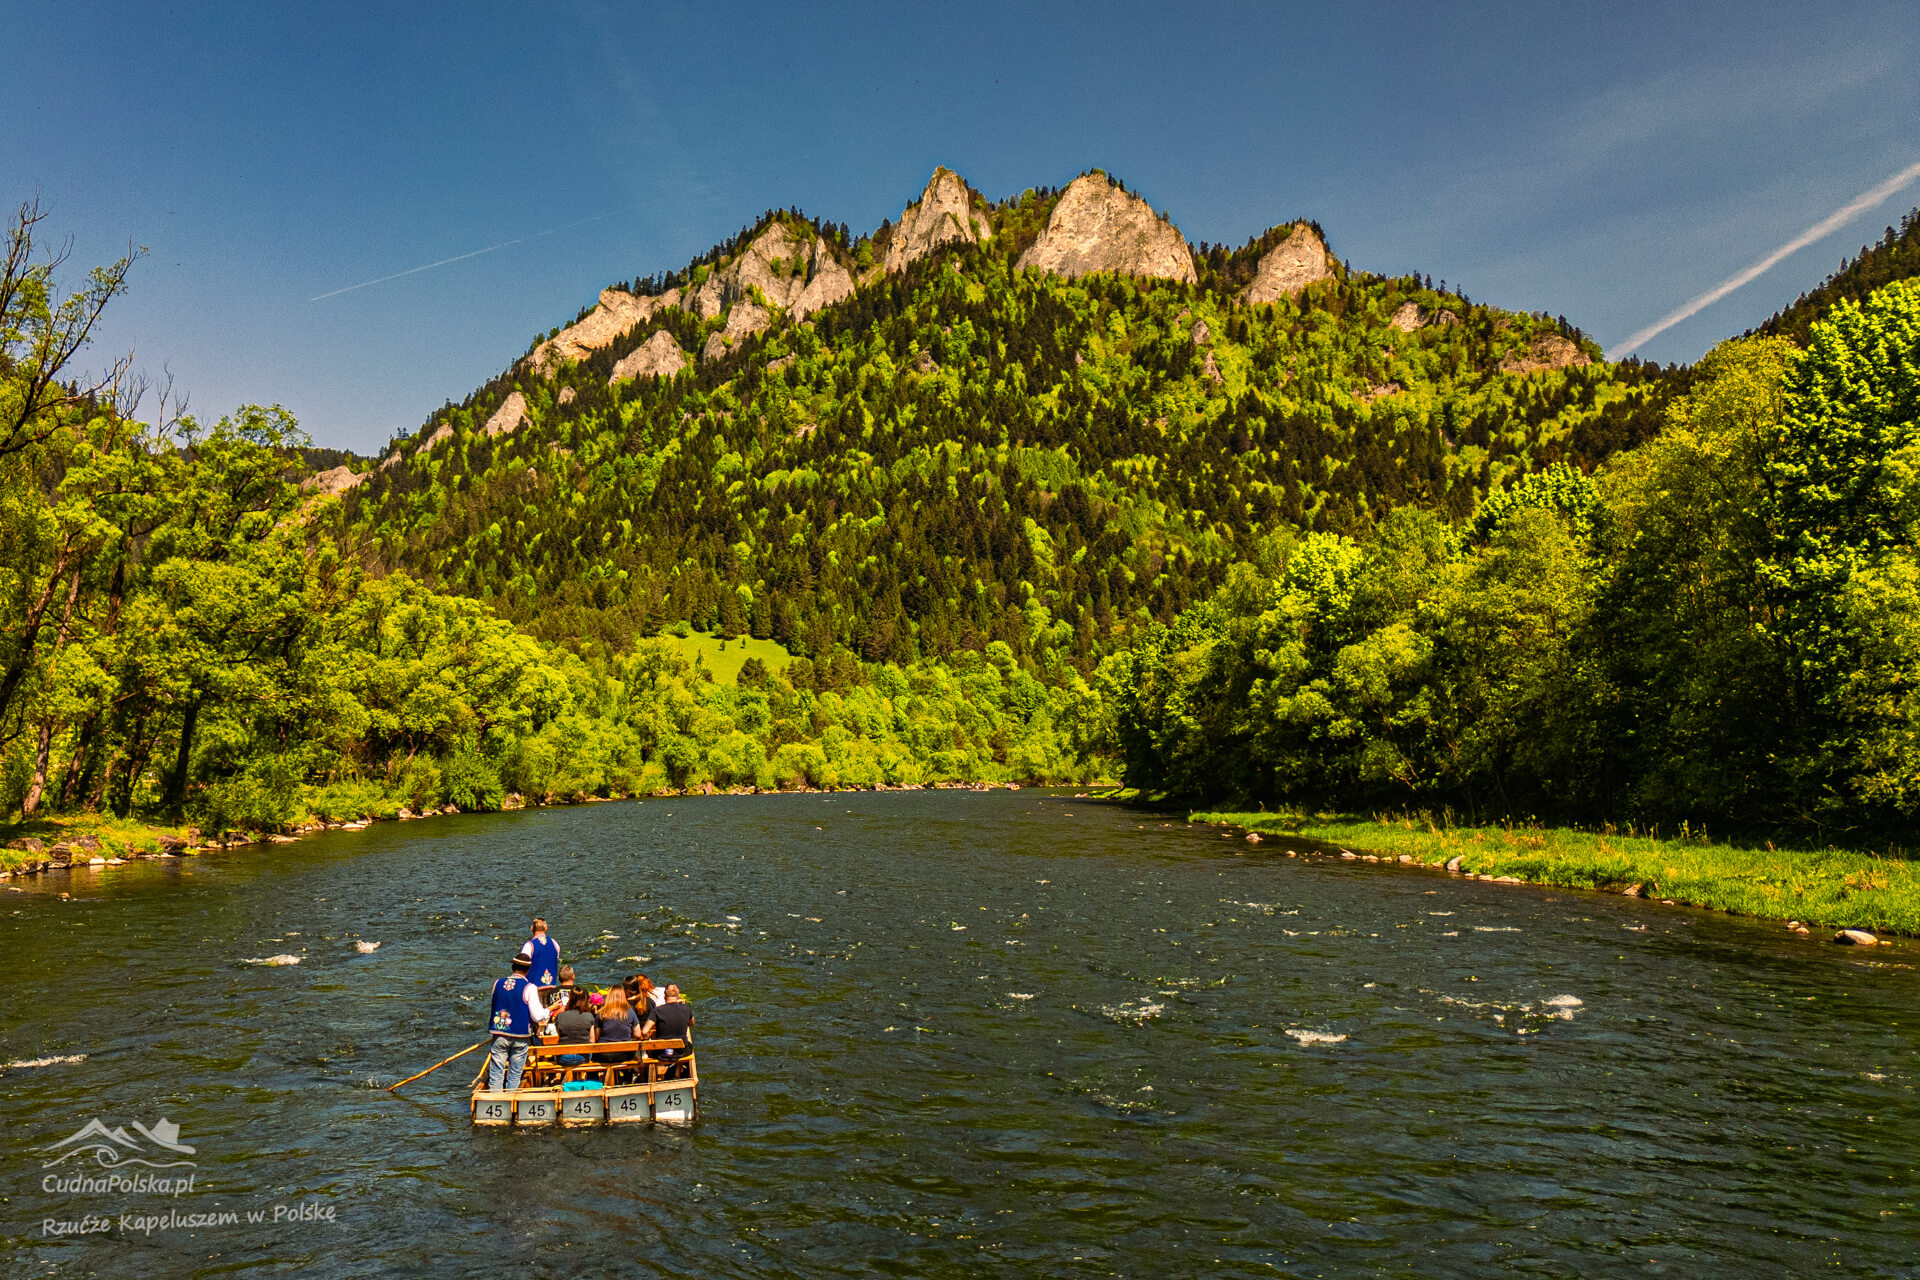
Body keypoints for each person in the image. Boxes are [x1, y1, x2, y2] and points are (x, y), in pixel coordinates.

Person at [485, 955, 551, 1091]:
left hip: (500, 1033)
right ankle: (510, 1099)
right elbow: (537, 1016)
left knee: (496, 1073)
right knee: (514, 1074)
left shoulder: (497, 983)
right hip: (520, 1035)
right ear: (528, 970)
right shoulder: (530, 987)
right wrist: (548, 1011)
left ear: (512, 967)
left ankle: (495, 1098)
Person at [638, 983, 694, 1079]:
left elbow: (644, 1031)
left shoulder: (657, 1011)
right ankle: (677, 1073)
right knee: (687, 1043)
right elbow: (691, 1023)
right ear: (678, 995)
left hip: (661, 1053)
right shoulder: (686, 1009)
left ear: (664, 995)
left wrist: (648, 1037)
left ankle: (654, 1076)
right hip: (680, 1052)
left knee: (651, 1048)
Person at [552, 986, 598, 1067]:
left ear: (570, 999)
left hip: (564, 1057)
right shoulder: (589, 1016)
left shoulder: (560, 1016)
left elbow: (560, 1036)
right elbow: (592, 1040)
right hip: (583, 1057)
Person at [518, 919, 561, 991]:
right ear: (546, 928)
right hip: (552, 989)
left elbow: (521, 968)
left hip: (534, 990)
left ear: (532, 928)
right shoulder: (555, 943)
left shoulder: (529, 945)